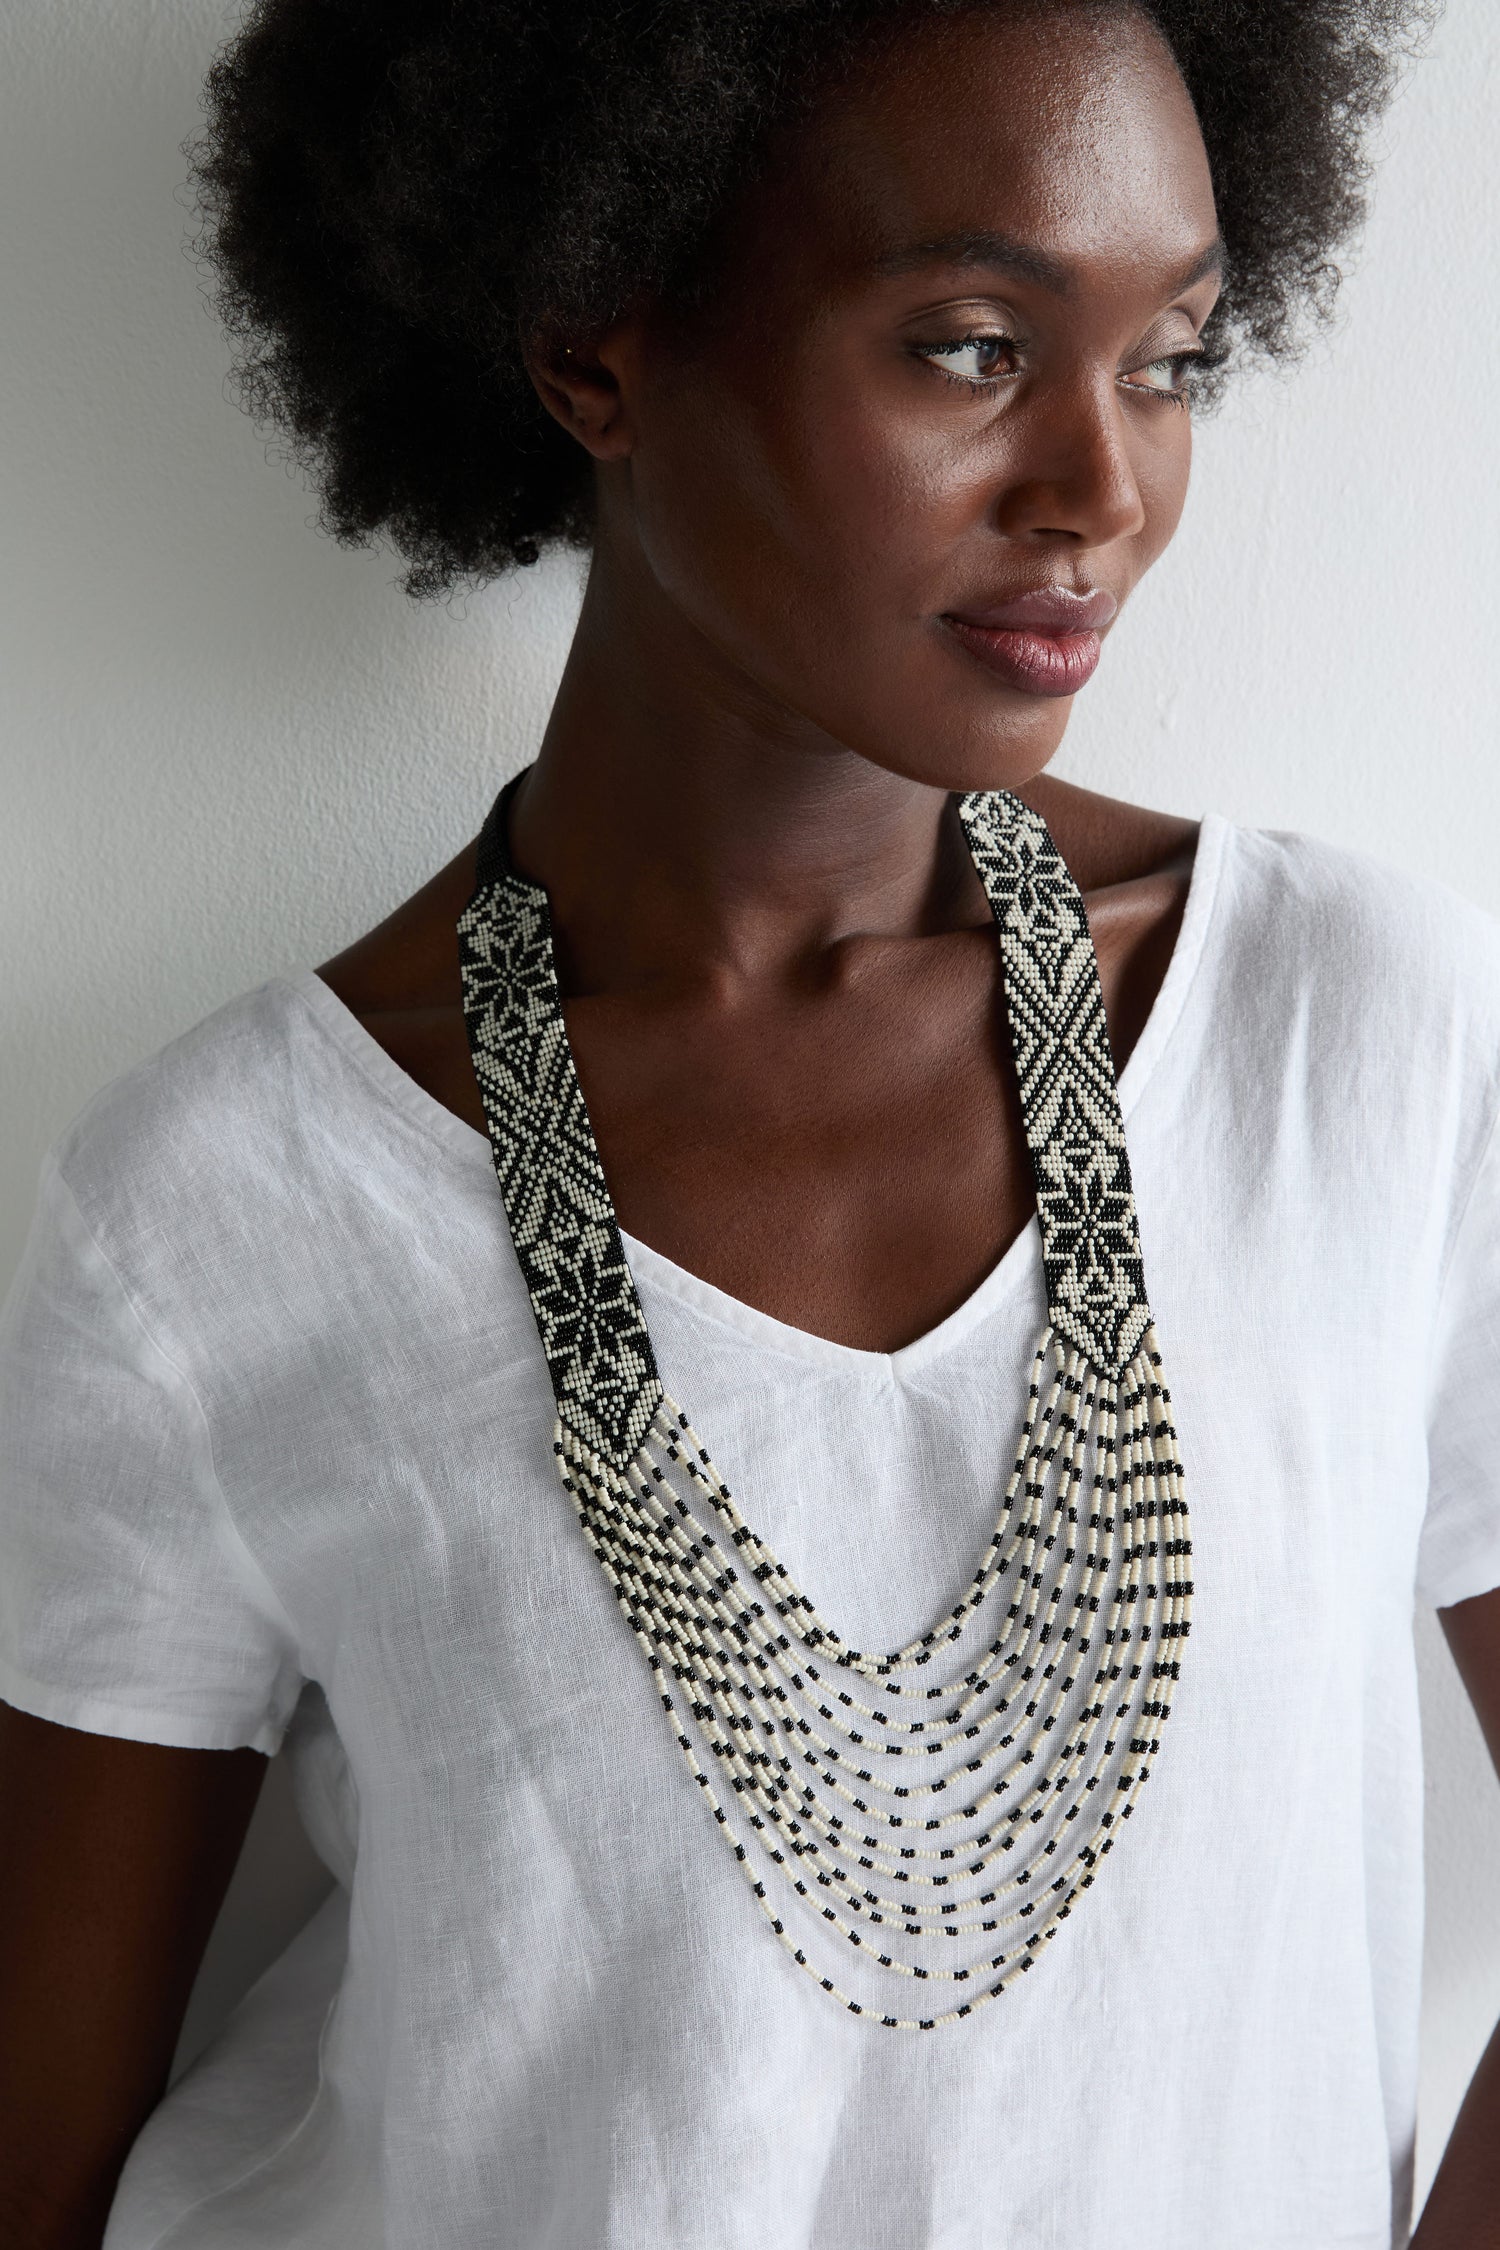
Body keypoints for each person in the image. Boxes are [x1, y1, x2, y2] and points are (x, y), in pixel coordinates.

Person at [1, 0, 1493, 2244]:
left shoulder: (1351, 1036)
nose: (1104, 489)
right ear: (597, 347)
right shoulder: (226, 1213)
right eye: (977, 345)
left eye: (1173, 355)